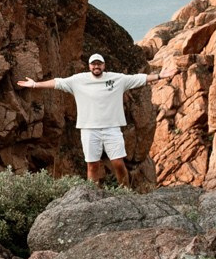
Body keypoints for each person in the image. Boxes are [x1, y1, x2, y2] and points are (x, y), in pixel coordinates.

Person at [19, 52, 162, 185]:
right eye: (94, 64)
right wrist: (35, 84)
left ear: (104, 65)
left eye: (99, 64)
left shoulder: (116, 79)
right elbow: (58, 82)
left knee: (118, 163)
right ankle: (92, 194)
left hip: (112, 128)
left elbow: (138, 78)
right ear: (89, 66)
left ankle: (125, 192)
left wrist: (160, 76)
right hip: (89, 130)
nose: (96, 66)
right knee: (92, 165)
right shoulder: (78, 80)